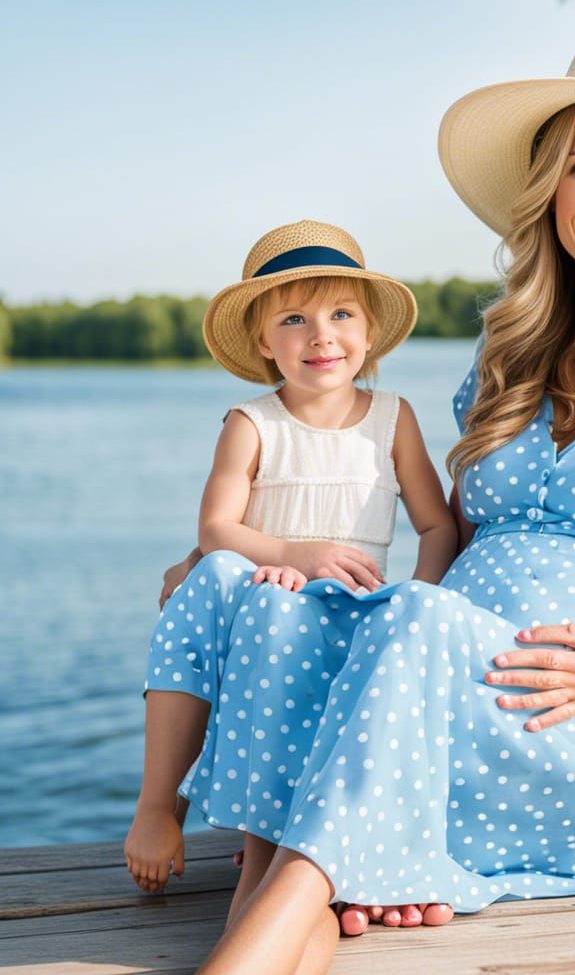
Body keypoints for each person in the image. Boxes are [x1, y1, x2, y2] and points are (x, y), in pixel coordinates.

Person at [173, 26, 575, 975]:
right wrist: (246, 563)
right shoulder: (505, 360)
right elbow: (452, 546)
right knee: (275, 616)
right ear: (550, 190)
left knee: (419, 630)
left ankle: (278, 902)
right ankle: (301, 884)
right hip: (456, 711)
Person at [123, 220, 458, 911]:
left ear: (369, 335)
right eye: (294, 319)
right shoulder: (252, 423)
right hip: (262, 597)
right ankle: (159, 805)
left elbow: (435, 523)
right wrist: (291, 556)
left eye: (341, 316)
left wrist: (417, 595)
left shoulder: (391, 418)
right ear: (262, 341)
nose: (321, 336)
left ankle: (291, 830)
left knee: (346, 644)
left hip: (349, 613)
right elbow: (216, 528)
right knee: (209, 580)